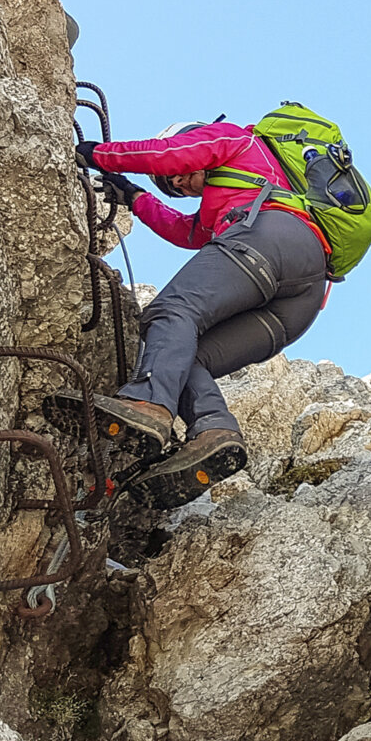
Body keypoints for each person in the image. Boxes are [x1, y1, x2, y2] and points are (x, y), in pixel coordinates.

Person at [68, 119, 329, 508]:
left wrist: (96, 155)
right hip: (300, 300)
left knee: (172, 311)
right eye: (172, 188)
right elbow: (185, 232)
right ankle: (213, 431)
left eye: (177, 177)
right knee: (185, 354)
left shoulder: (236, 140)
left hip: (268, 239)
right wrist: (135, 197)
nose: (178, 184)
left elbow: (167, 154)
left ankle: (149, 405)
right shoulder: (237, 196)